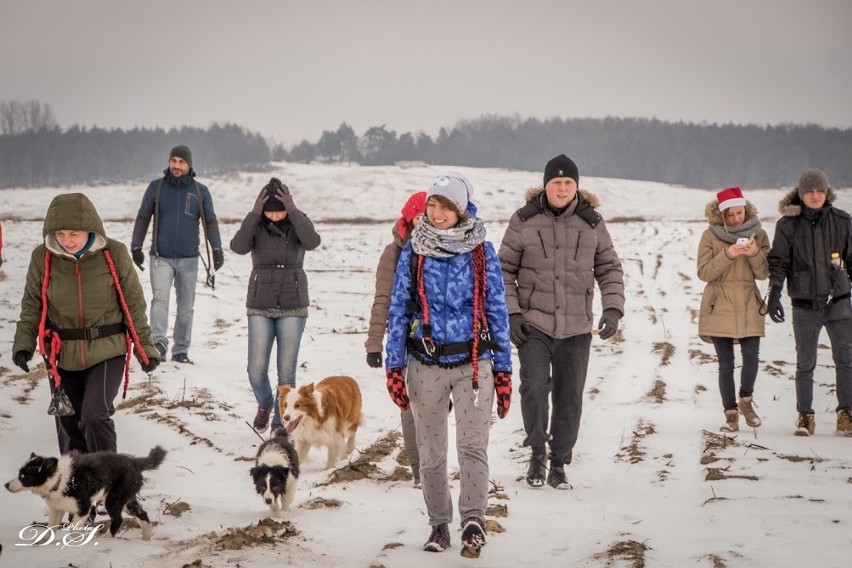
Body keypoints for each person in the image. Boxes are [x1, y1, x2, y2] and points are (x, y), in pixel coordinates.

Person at [384, 172, 512, 555]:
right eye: (433, 205)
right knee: (432, 450)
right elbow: (397, 309)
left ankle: (473, 520)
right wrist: (394, 366)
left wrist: (504, 370)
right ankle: (439, 524)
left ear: (461, 209)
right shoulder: (414, 251)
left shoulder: (482, 252)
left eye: (446, 206)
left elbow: (497, 310)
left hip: (474, 364)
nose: (437, 213)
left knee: (473, 447)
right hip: (425, 365)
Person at [499, 154, 625, 490]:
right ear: (545, 185)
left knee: (570, 397)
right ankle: (537, 452)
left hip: (577, 326)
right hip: (533, 323)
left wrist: (612, 309)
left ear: (577, 187)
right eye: (556, 182)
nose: (562, 188)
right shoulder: (523, 220)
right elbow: (503, 271)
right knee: (535, 387)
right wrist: (512, 314)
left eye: (568, 182)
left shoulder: (593, 223)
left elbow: (609, 268)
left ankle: (559, 462)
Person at [12, 193, 159, 454]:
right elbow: (32, 303)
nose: (66, 241)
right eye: (60, 234)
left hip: (107, 349)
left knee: (93, 416)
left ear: (90, 229)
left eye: (73, 233)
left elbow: (133, 304)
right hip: (62, 355)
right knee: (68, 421)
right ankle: (77, 488)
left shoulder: (113, 254)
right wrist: (23, 343)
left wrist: (144, 348)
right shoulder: (42, 258)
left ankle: (112, 484)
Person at [230, 178, 321, 433]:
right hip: (261, 304)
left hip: (293, 304)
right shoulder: (256, 225)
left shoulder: (296, 223)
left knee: (286, 373)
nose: (275, 214)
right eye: (269, 209)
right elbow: (237, 247)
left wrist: (293, 211)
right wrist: (253, 215)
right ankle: (265, 403)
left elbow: (313, 241)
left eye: (279, 208)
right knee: (256, 369)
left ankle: (281, 424)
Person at [767, 168, 852, 436]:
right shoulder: (787, 225)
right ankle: (805, 416)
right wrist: (774, 293)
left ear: (827, 192)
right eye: (809, 191)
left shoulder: (842, 221)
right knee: (806, 363)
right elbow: (779, 261)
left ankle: (846, 414)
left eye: (819, 190)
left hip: (838, 302)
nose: (815, 196)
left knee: (846, 360)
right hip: (804, 306)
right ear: (800, 194)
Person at [130, 144, 224, 364]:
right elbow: (143, 217)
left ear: (189, 164)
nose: (176, 165)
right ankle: (158, 344)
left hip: (189, 259)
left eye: (181, 162)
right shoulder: (157, 188)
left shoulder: (200, 191)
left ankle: (181, 349)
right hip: (160, 257)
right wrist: (136, 246)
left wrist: (217, 249)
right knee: (160, 300)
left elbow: (210, 221)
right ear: (169, 162)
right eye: (173, 161)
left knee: (186, 306)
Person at [366, 190, 427, 487]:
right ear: (409, 219)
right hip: (404, 342)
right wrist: (374, 344)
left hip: (440, 341)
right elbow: (383, 299)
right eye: (419, 216)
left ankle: (434, 464)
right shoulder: (394, 254)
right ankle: (419, 471)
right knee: (409, 408)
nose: (425, 221)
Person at [697, 187, 770, 432]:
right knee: (725, 363)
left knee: (751, 358)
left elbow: (763, 273)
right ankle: (730, 414)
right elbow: (704, 272)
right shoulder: (710, 236)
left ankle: (746, 401)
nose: (737, 218)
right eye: (731, 214)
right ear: (722, 215)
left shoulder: (759, 235)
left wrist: (754, 253)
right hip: (719, 303)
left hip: (749, 302)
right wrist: (727, 254)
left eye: (740, 213)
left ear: (746, 210)